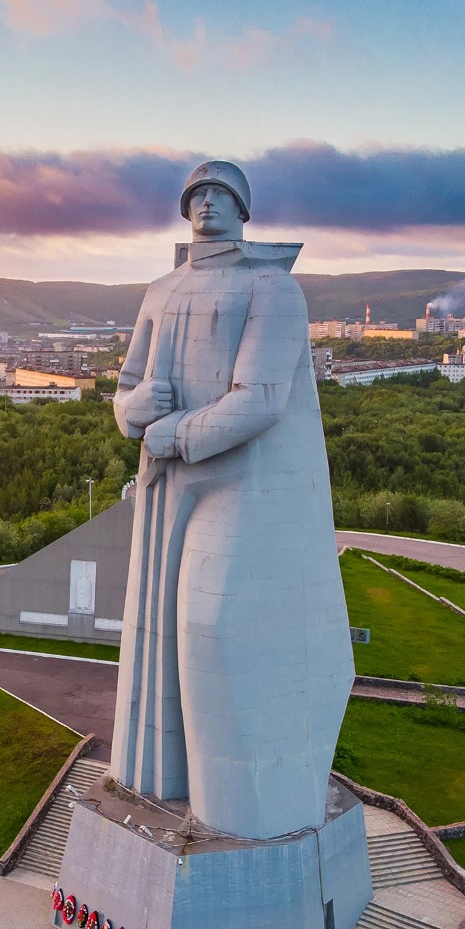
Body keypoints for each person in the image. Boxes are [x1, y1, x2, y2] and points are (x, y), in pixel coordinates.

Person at [110, 161, 352, 840]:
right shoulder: (161, 290)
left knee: (212, 625)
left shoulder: (272, 287)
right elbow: (125, 389)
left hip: (239, 478)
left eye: (220, 194)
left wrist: (174, 434)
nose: (207, 203)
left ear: (243, 209)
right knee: (155, 632)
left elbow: (262, 399)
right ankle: (162, 784)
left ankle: (242, 811)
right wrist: (134, 409)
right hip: (166, 482)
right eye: (197, 194)